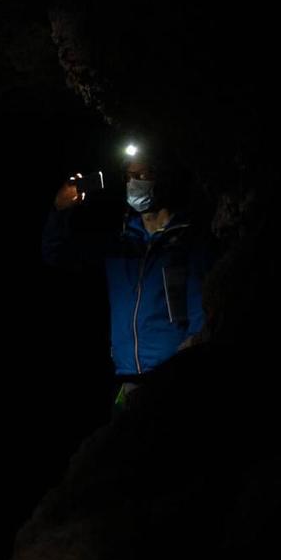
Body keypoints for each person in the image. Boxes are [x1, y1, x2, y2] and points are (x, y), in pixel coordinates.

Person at [43, 145, 209, 409]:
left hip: (175, 383)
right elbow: (57, 254)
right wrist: (61, 210)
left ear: (163, 179)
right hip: (128, 381)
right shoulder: (120, 244)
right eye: (130, 176)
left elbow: (201, 317)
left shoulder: (186, 242)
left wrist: (181, 373)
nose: (135, 183)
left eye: (143, 175)